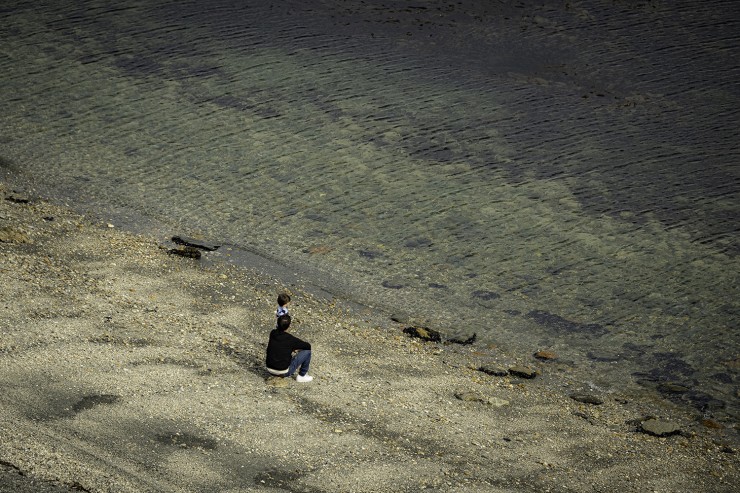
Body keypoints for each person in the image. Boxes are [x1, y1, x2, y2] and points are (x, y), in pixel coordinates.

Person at [265, 314, 313, 382]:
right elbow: (308, 346)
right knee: (307, 352)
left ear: (277, 324)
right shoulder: (290, 339)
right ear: (289, 326)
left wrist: (292, 348)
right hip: (283, 372)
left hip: (269, 369)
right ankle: (302, 375)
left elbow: (281, 344)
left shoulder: (272, 333)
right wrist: (295, 348)